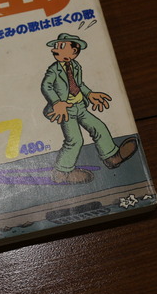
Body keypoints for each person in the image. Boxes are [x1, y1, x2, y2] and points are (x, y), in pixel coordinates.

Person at [41, 33, 138, 184]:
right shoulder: (54, 69)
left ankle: (112, 157)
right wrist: (56, 102)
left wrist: (90, 94)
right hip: (66, 110)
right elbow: (46, 86)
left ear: (74, 51)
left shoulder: (76, 66)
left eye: (61, 46)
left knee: (99, 127)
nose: (55, 49)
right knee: (75, 139)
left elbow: (79, 84)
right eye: (56, 46)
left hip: (80, 106)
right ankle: (61, 172)